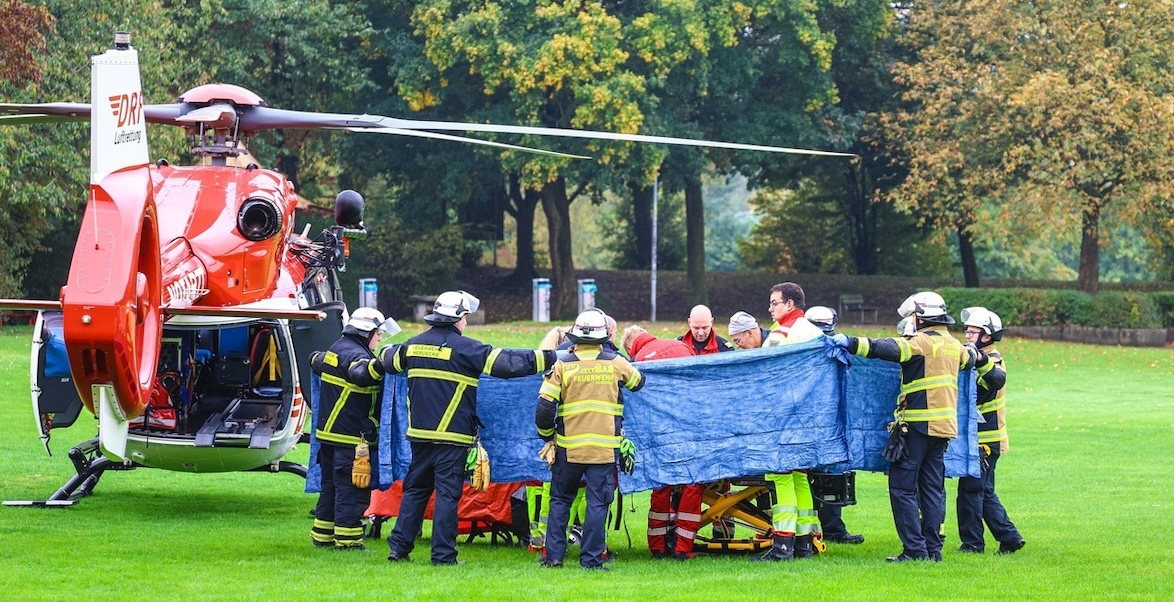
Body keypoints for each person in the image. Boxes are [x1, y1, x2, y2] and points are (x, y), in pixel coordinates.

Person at [382, 291, 556, 565]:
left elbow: (387, 359)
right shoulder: (466, 349)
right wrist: (553, 357)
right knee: (448, 496)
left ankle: (399, 548)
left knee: (415, 491)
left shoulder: (412, 346)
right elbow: (508, 364)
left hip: (419, 435)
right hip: (452, 437)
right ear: (459, 319)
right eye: (465, 318)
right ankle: (443, 555)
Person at [830, 291, 977, 562]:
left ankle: (914, 550)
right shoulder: (954, 345)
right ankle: (933, 550)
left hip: (917, 427)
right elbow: (973, 358)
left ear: (920, 317)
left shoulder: (920, 342)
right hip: (943, 429)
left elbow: (884, 348)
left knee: (903, 488)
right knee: (932, 489)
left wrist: (849, 342)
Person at [536, 310, 645, 570]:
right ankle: (592, 561)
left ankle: (553, 558)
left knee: (561, 500)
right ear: (604, 336)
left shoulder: (563, 364)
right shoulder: (616, 362)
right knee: (597, 504)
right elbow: (638, 382)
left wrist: (547, 437)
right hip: (603, 451)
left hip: (568, 449)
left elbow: (544, 407)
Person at [309, 307, 399, 551]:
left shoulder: (336, 348)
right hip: (351, 439)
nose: (380, 339)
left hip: (329, 436)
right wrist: (384, 362)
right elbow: (360, 373)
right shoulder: (355, 356)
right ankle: (349, 542)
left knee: (330, 488)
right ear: (365, 332)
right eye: (377, 334)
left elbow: (315, 360)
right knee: (352, 490)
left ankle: (323, 535)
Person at [752, 283, 826, 561]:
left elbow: (765, 373)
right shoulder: (815, 332)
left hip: (782, 415)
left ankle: (782, 547)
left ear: (790, 304)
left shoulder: (780, 334)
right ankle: (804, 544)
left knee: (781, 477)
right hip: (810, 418)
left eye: (774, 303)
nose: (770, 308)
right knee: (800, 478)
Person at [620, 325, 704, 559]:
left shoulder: (636, 361)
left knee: (661, 485)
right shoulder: (681, 346)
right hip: (688, 427)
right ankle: (682, 549)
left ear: (630, 347)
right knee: (692, 484)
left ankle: (657, 546)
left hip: (657, 432)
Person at [956, 307, 1026, 555]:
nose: (966, 335)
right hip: (981, 439)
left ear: (987, 336)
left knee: (971, 491)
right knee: (983, 491)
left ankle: (973, 544)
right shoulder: (975, 359)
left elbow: (982, 391)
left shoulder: (992, 361)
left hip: (984, 440)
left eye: (972, 331)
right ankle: (1010, 538)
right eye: (967, 330)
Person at [802, 306, 866, 545]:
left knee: (830, 473)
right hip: (811, 422)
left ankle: (832, 530)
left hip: (829, 422)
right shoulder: (802, 348)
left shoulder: (836, 346)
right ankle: (814, 531)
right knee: (811, 475)